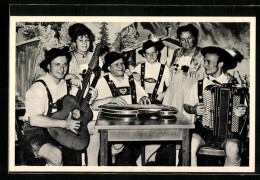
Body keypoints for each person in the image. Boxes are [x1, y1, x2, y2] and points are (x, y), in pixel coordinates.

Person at [23, 47, 97, 166]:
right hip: (36, 131)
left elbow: (72, 108)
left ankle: (92, 168)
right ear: (48, 66)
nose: (62, 69)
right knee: (56, 155)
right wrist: (65, 124)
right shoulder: (39, 88)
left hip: (57, 128)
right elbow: (34, 120)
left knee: (96, 128)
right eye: (57, 64)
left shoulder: (64, 84)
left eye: (65, 65)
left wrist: (89, 99)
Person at [183, 46, 247, 166]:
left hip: (229, 134)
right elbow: (186, 105)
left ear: (220, 64)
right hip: (204, 132)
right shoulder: (199, 84)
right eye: (204, 61)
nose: (205, 65)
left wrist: (243, 111)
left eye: (208, 62)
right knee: (189, 143)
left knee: (233, 148)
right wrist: (193, 109)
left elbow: (245, 110)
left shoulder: (235, 85)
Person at [92, 51, 150, 166]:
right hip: (111, 125)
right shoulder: (103, 81)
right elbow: (94, 105)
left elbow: (144, 96)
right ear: (109, 67)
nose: (121, 67)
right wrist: (110, 99)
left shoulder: (130, 80)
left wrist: (143, 99)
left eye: (122, 64)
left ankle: (131, 160)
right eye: (116, 64)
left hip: (131, 124)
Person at [65, 23, 101, 166]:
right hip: (75, 100)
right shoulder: (69, 58)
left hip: (93, 96)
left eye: (87, 40)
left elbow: (102, 77)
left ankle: (93, 165)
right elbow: (61, 76)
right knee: (78, 130)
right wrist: (71, 77)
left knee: (95, 129)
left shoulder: (95, 57)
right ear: (74, 43)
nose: (85, 43)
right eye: (81, 40)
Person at [163, 23, 205, 113]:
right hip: (172, 95)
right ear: (179, 40)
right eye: (183, 39)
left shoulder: (202, 54)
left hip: (189, 96)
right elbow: (166, 71)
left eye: (189, 38)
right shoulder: (176, 53)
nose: (186, 42)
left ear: (194, 37)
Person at [132, 39, 171, 104]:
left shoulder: (165, 69)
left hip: (157, 102)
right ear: (144, 55)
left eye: (153, 53)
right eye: (148, 53)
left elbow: (170, 87)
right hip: (142, 103)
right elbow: (133, 85)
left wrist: (162, 95)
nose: (151, 56)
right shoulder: (139, 67)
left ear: (157, 52)